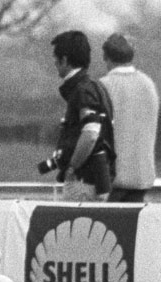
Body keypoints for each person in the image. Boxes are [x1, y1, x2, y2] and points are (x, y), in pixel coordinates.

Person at [49, 30, 116, 202]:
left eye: (56, 59)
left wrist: (72, 167)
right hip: (97, 180)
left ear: (64, 59)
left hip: (82, 182)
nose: (54, 63)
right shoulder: (96, 87)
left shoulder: (81, 91)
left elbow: (90, 133)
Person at [99, 33, 159, 203]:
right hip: (142, 176)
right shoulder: (148, 84)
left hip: (111, 179)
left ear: (106, 57)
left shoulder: (103, 86)